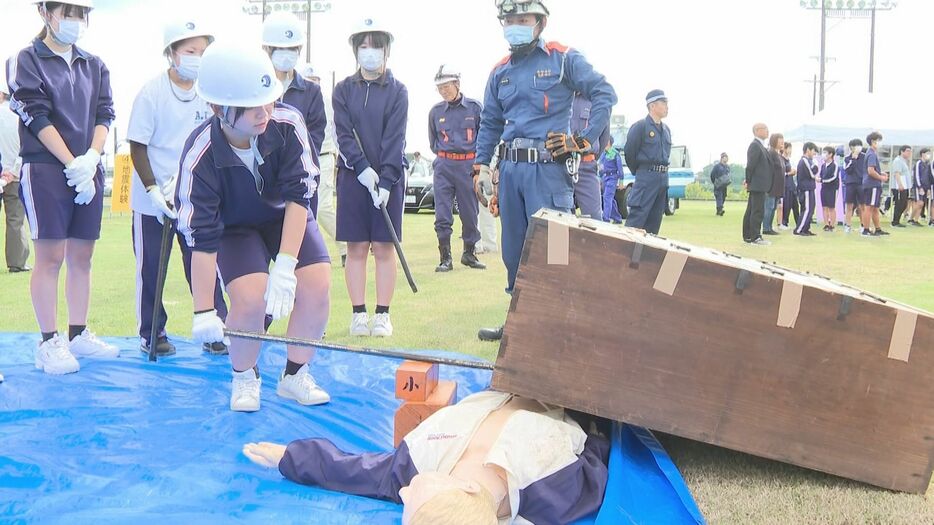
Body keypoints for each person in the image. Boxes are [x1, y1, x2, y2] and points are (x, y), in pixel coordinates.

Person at [175, 43, 331, 412]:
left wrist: (287, 263)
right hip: (234, 230)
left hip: (284, 217)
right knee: (249, 297)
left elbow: (299, 197)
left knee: (317, 283)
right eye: (251, 106)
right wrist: (202, 311)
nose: (264, 113)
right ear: (218, 108)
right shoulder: (200, 154)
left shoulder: (288, 123)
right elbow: (202, 237)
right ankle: (245, 376)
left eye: (268, 101)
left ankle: (295, 375)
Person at [473, 0, 616, 342]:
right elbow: (490, 122)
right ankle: (520, 328)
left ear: (540, 22)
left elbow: (604, 93)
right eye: (509, 19)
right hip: (509, 173)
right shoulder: (499, 71)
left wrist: (581, 139)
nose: (515, 24)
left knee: (555, 253)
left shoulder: (563, 58)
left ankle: (560, 330)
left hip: (548, 172)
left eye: (522, 18)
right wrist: (480, 167)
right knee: (514, 252)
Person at [243, 391, 610, 525]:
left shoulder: (416, 466)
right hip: (559, 392)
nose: (403, 494)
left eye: (404, 502)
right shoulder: (550, 491)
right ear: (463, 488)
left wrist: (291, 457)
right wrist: (600, 422)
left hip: (504, 389)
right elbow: (596, 457)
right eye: (415, 497)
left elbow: (353, 470)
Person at [7, 0, 120, 375]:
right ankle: (48, 340)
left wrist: (90, 158)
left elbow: (105, 113)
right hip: (46, 169)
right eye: (67, 11)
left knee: (82, 257)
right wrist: (71, 161)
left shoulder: (95, 64)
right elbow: (34, 113)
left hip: (87, 168)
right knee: (51, 257)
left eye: (80, 12)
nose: (74, 19)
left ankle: (77, 333)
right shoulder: (26, 59)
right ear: (45, 12)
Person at [127, 18, 228, 357]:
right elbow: (138, 146)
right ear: (171, 54)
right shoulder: (151, 92)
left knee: (202, 265)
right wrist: (155, 190)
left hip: (194, 198)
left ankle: (216, 329)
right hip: (152, 198)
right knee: (152, 267)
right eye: (190, 51)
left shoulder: (209, 94)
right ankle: (152, 333)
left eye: (203, 51)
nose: (197, 57)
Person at [333, 18, 408, 338]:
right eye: (363, 47)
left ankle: (382, 315)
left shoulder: (397, 91)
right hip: (353, 178)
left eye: (375, 46)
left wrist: (388, 182)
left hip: (388, 180)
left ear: (386, 50)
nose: (369, 52)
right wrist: (362, 168)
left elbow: (396, 138)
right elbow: (343, 133)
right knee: (357, 247)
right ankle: (358, 314)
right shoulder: (343, 90)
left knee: (384, 247)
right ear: (355, 51)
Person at [262, 12, 327, 215]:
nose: (286, 53)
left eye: (291, 48)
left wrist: (292, 166)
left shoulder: (311, 91)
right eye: (280, 48)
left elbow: (314, 138)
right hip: (264, 183)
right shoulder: (256, 91)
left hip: (299, 181)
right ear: (267, 49)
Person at [428, 64, 485, 272]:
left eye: (446, 86)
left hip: (468, 166)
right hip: (443, 165)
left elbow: (484, 137)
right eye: (440, 87)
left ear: (457, 84)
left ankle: (469, 253)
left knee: (470, 212)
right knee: (442, 213)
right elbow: (433, 142)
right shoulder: (435, 112)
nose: (443, 91)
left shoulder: (475, 108)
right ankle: (445, 257)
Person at [298, 63, 347, 265]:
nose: (313, 84)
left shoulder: (327, 102)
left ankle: (346, 246)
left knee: (322, 207)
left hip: (324, 156)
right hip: (301, 159)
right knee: (304, 207)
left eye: (315, 80)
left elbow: (337, 132)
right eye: (309, 80)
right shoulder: (295, 100)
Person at [623, 90, 671, 235]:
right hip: (646, 177)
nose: (667, 107)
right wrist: (641, 172)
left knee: (655, 222)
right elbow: (630, 153)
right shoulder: (640, 127)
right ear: (652, 106)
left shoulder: (666, 130)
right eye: (664, 103)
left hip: (662, 179)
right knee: (637, 220)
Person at [0, 77, 30, 273]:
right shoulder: (16, 117)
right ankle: (17, 262)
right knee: (15, 219)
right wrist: (12, 171)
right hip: (12, 175)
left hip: (7, 171)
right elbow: (23, 147)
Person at [570, 92, 605, 220]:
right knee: (560, 220)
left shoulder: (596, 100)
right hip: (560, 166)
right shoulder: (559, 95)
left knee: (595, 220)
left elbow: (603, 136)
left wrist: (590, 157)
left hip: (586, 166)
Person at [742, 123, 771, 245]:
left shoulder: (761, 146)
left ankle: (748, 235)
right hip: (756, 184)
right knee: (757, 211)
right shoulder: (755, 145)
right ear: (757, 130)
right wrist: (748, 181)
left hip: (760, 184)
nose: (767, 132)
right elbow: (750, 166)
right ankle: (755, 236)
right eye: (765, 129)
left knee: (752, 210)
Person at [860, 131, 889, 237]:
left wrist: (880, 173)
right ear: (873, 141)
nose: (880, 143)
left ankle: (878, 229)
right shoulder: (871, 153)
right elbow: (870, 171)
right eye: (878, 141)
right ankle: (866, 229)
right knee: (869, 207)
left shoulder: (871, 153)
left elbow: (872, 169)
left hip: (873, 184)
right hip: (872, 184)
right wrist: (881, 177)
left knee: (875, 207)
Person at [794, 142, 819, 236]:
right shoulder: (804, 160)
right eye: (813, 151)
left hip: (809, 188)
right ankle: (799, 229)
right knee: (807, 209)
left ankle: (805, 229)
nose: (814, 153)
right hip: (806, 189)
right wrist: (816, 166)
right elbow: (812, 173)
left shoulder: (808, 160)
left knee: (811, 208)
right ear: (808, 149)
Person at [598, 137, 623, 223]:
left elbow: (620, 168)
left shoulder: (615, 153)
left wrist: (621, 182)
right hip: (605, 177)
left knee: (607, 197)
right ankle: (617, 218)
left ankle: (606, 218)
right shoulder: (603, 154)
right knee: (610, 199)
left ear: (608, 142)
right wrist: (600, 179)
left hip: (612, 177)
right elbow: (600, 167)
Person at [842, 138, 865, 234]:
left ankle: (863, 225)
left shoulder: (865, 156)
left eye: (859, 145)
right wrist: (853, 159)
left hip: (861, 184)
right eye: (856, 146)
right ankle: (848, 225)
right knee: (849, 206)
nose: (858, 148)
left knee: (862, 206)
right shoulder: (847, 158)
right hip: (850, 184)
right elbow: (847, 170)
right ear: (851, 147)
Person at [889, 145, 912, 228]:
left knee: (904, 203)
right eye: (907, 151)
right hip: (899, 186)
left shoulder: (903, 161)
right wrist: (900, 184)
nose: (909, 153)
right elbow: (897, 173)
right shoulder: (898, 160)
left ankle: (897, 220)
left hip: (905, 186)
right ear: (902, 151)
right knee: (899, 203)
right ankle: (895, 222)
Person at [779, 141, 799, 231]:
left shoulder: (789, 160)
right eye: (789, 148)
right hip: (785, 185)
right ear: (785, 149)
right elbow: (780, 173)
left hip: (791, 185)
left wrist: (793, 172)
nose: (790, 150)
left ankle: (798, 223)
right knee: (786, 205)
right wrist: (789, 173)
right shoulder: (781, 159)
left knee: (795, 205)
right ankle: (784, 222)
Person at [819, 146, 839, 232]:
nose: (823, 155)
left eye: (825, 153)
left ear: (831, 154)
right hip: (824, 188)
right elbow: (820, 175)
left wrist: (822, 180)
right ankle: (826, 224)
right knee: (824, 207)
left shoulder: (835, 165)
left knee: (831, 207)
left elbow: (834, 177)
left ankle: (832, 225)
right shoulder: (823, 165)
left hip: (832, 189)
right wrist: (819, 179)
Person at [911, 148, 933, 226]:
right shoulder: (918, 163)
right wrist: (919, 186)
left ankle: (915, 220)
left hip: (926, 187)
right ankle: (911, 218)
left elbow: (929, 176)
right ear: (922, 154)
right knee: (919, 203)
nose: (928, 155)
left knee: (922, 204)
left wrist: (929, 188)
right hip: (919, 186)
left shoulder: (927, 164)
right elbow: (916, 175)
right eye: (927, 153)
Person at [710, 152, 730, 217]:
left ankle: (719, 210)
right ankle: (720, 210)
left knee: (723, 197)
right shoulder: (717, 166)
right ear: (721, 158)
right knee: (719, 197)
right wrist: (715, 182)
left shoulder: (727, 167)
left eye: (727, 158)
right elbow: (712, 175)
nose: (726, 159)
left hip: (724, 186)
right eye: (725, 158)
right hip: (718, 185)